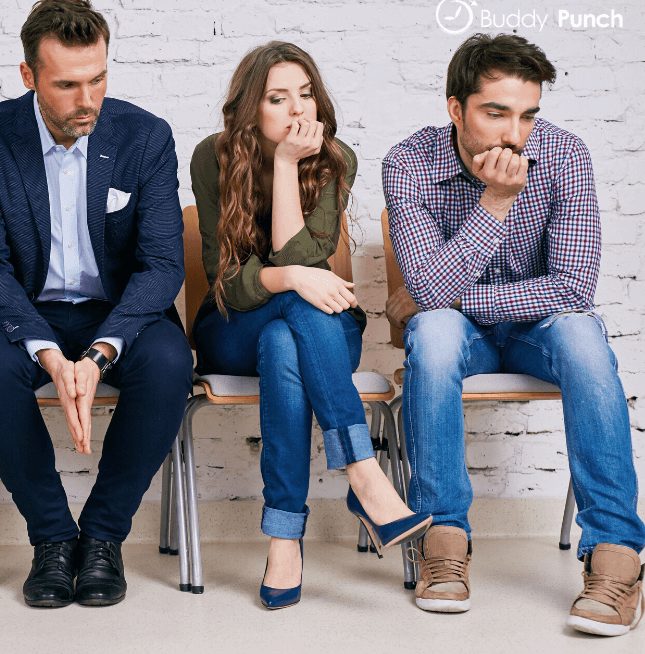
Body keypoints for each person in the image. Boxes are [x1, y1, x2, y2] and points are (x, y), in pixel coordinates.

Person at [384, 32, 644, 635]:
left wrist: (432, 292)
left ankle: (617, 556)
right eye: (495, 112)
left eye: (527, 114)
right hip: (462, 336)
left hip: (540, 333)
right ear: (456, 109)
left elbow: (574, 289)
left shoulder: (565, 155)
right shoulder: (409, 162)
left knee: (582, 337)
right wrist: (497, 202)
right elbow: (432, 301)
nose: (513, 133)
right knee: (438, 333)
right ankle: (442, 538)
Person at [0, 0, 193, 609]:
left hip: (117, 312)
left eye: (98, 79)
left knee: (170, 363)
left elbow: (164, 264)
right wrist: (50, 356)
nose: (87, 100)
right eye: (66, 84)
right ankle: (54, 540)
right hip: (24, 312)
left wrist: (99, 353)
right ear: (29, 77)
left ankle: (104, 540)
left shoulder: (145, 137)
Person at [190, 42, 432, 610]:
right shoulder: (212, 158)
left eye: (306, 95)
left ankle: (283, 540)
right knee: (289, 309)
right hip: (232, 326)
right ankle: (365, 477)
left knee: (284, 339)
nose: (297, 111)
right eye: (278, 98)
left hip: (314, 329)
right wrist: (291, 275)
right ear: (250, 109)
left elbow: (295, 250)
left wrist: (289, 166)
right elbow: (225, 282)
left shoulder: (333, 157)